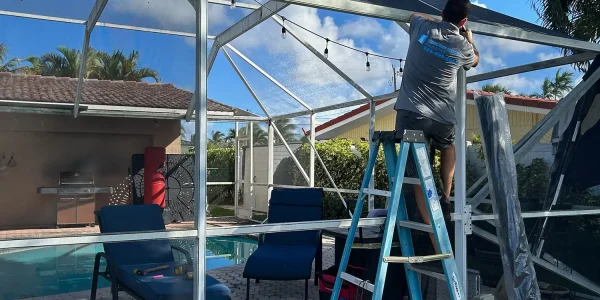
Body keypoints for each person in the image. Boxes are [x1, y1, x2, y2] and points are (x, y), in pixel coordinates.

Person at [395, 0, 479, 253]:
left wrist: (434, 21)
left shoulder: (421, 27)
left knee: (420, 176)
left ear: (442, 13)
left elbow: (412, 13)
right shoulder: (462, 45)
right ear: (463, 22)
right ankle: (446, 194)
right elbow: (475, 61)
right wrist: (471, 38)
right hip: (443, 117)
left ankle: (433, 233)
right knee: (448, 147)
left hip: (413, 112)